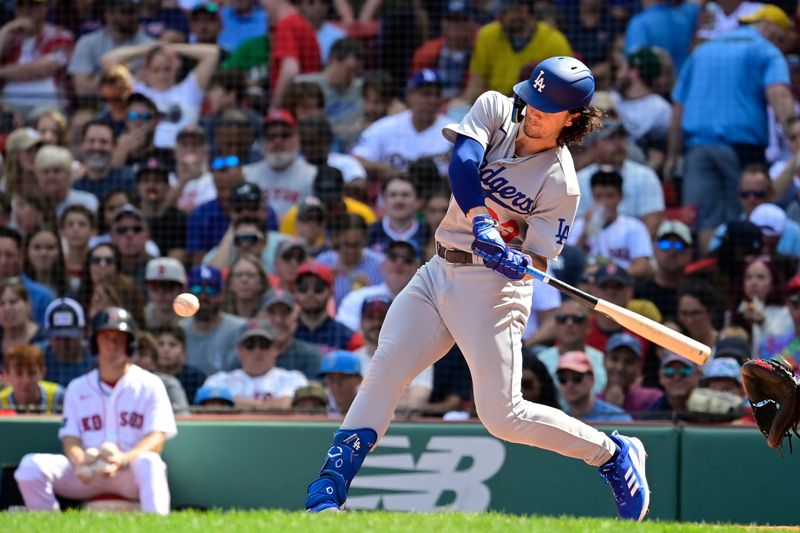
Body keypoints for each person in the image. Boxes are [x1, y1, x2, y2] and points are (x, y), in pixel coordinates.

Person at [304, 56, 650, 521]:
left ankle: (611, 452)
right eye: (531, 99)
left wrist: (516, 259)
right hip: (438, 269)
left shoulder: (561, 183)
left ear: (572, 119)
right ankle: (329, 487)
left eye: (545, 108)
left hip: (492, 292)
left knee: (502, 415)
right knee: (386, 367)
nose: (530, 111)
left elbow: (541, 258)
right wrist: (483, 221)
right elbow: (463, 163)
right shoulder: (495, 108)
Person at [14, 306, 177, 514]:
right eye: (106, 337)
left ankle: (157, 525)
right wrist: (80, 459)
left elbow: (157, 438)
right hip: (87, 472)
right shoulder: (77, 387)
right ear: (94, 343)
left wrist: (125, 458)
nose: (112, 344)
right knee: (30, 467)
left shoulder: (149, 384)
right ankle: (50, 523)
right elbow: (70, 438)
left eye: (119, 337)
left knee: (150, 462)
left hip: (129, 471)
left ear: (130, 343)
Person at [665, 4, 796, 254]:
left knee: (706, 220)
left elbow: (678, 108)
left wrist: (672, 156)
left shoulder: (702, 52)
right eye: (780, 38)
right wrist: (794, 136)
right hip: (741, 148)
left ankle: (715, 275)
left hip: (697, 149)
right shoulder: (765, 50)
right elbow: (779, 93)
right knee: (749, 211)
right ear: (768, 27)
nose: (781, 46)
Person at [100, 42, 220, 148]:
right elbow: (108, 60)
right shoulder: (137, 91)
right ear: (146, 71)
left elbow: (212, 53)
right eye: (156, 70)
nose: (162, 75)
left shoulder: (190, 89)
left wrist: (170, 48)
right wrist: (148, 49)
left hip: (182, 153)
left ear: (175, 68)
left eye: (167, 69)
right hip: (144, 155)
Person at [352, 69, 453, 179]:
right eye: (426, 94)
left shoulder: (453, 131)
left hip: (437, 194)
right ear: (409, 96)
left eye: (437, 95)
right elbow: (355, 159)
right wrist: (377, 168)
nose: (432, 100)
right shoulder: (386, 126)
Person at [462, 0, 571, 101]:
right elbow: (476, 83)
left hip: (536, 107)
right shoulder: (487, 35)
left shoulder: (554, 41)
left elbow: (564, 91)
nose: (498, 17)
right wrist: (461, 104)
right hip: (494, 108)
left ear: (523, 10)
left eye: (504, 12)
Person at [575, 119, 665, 237]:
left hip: (631, 250)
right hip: (590, 248)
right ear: (594, 146)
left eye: (622, 137)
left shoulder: (645, 176)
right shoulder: (579, 179)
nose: (618, 145)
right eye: (610, 139)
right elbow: (573, 226)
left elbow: (652, 224)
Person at [568, 167, 654, 278]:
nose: (604, 202)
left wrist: (611, 276)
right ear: (592, 196)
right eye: (599, 196)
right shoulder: (578, 225)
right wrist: (585, 231)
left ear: (621, 196)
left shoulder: (634, 227)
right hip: (585, 286)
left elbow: (642, 267)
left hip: (619, 287)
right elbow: (568, 263)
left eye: (610, 196)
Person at [202, 318, 308, 409]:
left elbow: (287, 405)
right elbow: (213, 406)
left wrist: (234, 402)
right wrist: (269, 405)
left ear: (275, 349)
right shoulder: (219, 380)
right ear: (239, 350)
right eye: (250, 345)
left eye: (264, 344)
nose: (257, 351)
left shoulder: (293, 378)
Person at [354, 295, 433, 410]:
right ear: (361, 323)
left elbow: (416, 404)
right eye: (370, 318)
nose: (376, 323)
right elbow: (351, 402)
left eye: (383, 318)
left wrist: (371, 402)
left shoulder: (417, 357)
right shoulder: (353, 359)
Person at [68, 0, 154, 97]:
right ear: (109, 14)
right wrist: (117, 75)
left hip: (140, 105)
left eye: (135, 11)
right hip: (98, 106)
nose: (133, 17)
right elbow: (82, 90)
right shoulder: (87, 43)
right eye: (127, 12)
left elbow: (158, 85)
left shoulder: (149, 44)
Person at [0, 0, 73, 112]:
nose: (25, 10)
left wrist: (2, 72)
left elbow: (38, 70)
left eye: (32, 5)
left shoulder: (60, 36)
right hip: (7, 105)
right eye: (20, 5)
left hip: (47, 106)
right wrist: (7, 29)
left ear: (45, 8)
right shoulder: (9, 39)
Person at [243, 110, 317, 219]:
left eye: (285, 135)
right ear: (262, 141)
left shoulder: (312, 176)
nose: (278, 141)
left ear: (297, 138)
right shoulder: (247, 175)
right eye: (271, 136)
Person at [335, 240, 421, 332]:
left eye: (408, 259)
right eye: (393, 257)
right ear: (382, 265)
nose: (399, 263)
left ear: (417, 269)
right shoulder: (357, 298)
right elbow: (346, 335)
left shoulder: (425, 303)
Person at [179, 265, 247, 376]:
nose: (203, 296)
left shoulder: (240, 329)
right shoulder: (180, 330)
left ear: (222, 294)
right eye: (197, 290)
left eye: (211, 290)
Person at [536, 299, 607, 399]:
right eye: (562, 319)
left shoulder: (602, 362)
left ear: (588, 326)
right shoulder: (540, 362)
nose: (569, 324)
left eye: (577, 319)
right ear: (555, 326)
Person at [262, 0, 322, 112]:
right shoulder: (304, 24)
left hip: (295, 108)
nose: (262, 4)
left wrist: (275, 107)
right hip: (307, 106)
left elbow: (290, 70)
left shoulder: (286, 25)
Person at [294, 262, 363, 354]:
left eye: (318, 287)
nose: (310, 293)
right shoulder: (285, 334)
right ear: (295, 292)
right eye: (303, 287)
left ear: (331, 291)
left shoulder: (348, 337)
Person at [317, 214, 385, 305]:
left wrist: (370, 291)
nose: (351, 251)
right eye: (347, 244)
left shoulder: (380, 265)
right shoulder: (323, 263)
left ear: (365, 240)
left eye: (356, 245)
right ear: (336, 240)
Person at [634, 220, 693, 322]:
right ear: (654, 249)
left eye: (679, 246)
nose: (672, 251)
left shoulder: (698, 294)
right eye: (665, 244)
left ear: (690, 253)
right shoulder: (638, 292)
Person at [258, 289, 322, 380]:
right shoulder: (247, 354)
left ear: (295, 318)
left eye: (285, 313)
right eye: (271, 313)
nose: (278, 320)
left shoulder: (310, 356)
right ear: (260, 318)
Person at [598, 332, 664, 419]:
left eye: (628, 361)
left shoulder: (653, 399)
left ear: (639, 366)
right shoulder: (591, 402)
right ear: (604, 359)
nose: (620, 367)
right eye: (614, 359)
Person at [556, 351, 633, 423]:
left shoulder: (616, 418)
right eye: (562, 379)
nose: (570, 384)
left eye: (577, 378)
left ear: (592, 379)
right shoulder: (559, 422)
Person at [367, 175, 429, 253]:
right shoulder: (369, 233)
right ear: (384, 199)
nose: (399, 201)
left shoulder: (428, 234)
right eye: (393, 195)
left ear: (417, 200)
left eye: (405, 195)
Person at [34, 146, 98, 218]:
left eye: (56, 171)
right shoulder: (31, 206)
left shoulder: (86, 203)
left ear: (69, 175)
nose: (51, 177)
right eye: (45, 172)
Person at [153, 324, 206, 405]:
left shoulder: (197, 377)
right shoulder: (147, 377)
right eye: (160, 344)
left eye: (172, 345)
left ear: (184, 352)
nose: (166, 349)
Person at [109, 205, 154, 292]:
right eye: (122, 230)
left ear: (148, 235)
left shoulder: (157, 268)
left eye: (136, 229)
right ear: (113, 237)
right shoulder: (106, 267)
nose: (129, 235)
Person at [646, 352, 703, 419]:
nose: (677, 378)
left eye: (684, 371)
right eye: (669, 372)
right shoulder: (652, 416)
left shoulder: (710, 408)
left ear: (699, 374)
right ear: (660, 377)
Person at [0, 278, 46, 357]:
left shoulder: (44, 339)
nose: (7, 308)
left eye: (13, 302)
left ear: (27, 304)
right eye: (1, 304)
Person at [222, 254, 271, 319]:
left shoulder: (270, 319)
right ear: (230, 284)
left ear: (261, 283)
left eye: (250, 275)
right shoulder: (220, 317)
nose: (244, 280)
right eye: (239, 275)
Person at [144, 257, 187, 329]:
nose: (161, 293)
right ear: (147, 289)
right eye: (154, 286)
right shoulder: (140, 318)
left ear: (181, 289)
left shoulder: (192, 321)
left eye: (168, 286)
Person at [320, 350, 362, 417]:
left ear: (359, 379)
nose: (336, 385)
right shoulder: (318, 403)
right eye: (331, 379)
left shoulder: (369, 403)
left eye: (343, 378)